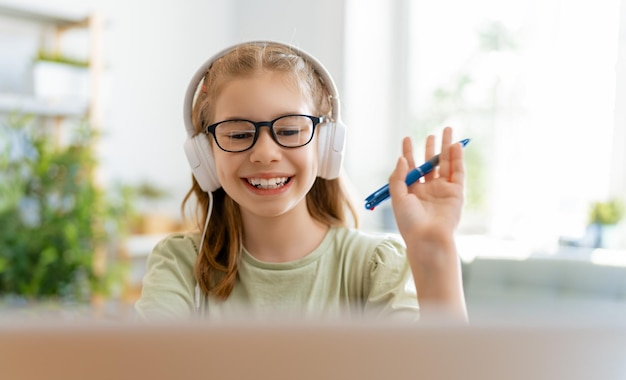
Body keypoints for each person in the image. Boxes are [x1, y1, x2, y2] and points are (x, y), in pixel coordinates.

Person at [135, 41, 467, 321]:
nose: (265, 154)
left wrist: (434, 247)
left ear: (326, 145)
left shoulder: (374, 266)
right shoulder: (180, 264)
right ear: (205, 155)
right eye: (237, 133)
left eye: (290, 130)